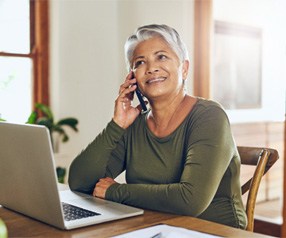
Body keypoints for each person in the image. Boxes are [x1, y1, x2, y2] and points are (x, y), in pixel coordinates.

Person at [68, 24, 247, 229]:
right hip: (152, 227)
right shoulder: (134, 124)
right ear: (133, 78)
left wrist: (114, 191)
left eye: (161, 57)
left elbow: (190, 200)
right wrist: (116, 125)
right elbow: (80, 182)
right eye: (140, 62)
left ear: (184, 68)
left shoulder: (209, 116)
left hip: (210, 231)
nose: (151, 67)